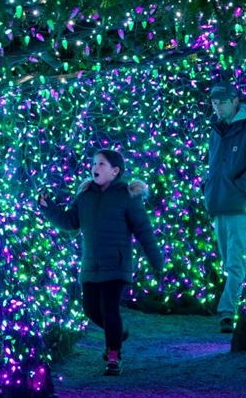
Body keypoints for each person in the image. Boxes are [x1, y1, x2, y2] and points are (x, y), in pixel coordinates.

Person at [38, 149, 164, 375]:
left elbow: (143, 229)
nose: (95, 167)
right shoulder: (85, 196)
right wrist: (50, 209)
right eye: (94, 163)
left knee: (108, 308)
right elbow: (70, 221)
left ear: (115, 171)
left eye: (102, 164)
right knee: (89, 308)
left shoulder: (126, 196)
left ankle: (114, 355)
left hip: (116, 265)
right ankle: (117, 334)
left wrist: (156, 259)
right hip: (91, 266)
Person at [201, 82, 246, 334]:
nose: (217, 106)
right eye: (214, 102)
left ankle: (227, 311)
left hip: (239, 204)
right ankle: (233, 308)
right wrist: (208, 186)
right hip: (218, 202)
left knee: (235, 260)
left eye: (221, 101)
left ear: (235, 101)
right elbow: (212, 161)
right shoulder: (216, 128)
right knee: (228, 259)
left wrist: (241, 186)